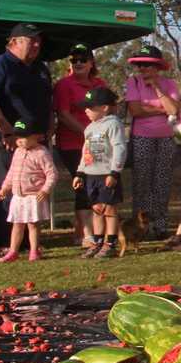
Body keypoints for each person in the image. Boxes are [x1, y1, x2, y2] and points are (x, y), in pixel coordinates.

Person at [0, 22, 52, 249]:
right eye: (31, 40)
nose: (37, 45)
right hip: (8, 140)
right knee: (10, 188)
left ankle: (31, 242)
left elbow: (48, 102)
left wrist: (51, 124)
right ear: (14, 42)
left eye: (38, 41)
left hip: (37, 141)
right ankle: (7, 241)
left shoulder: (40, 68)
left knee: (34, 188)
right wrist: (7, 132)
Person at [124, 45, 180, 239]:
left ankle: (160, 225)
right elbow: (135, 111)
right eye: (140, 65)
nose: (142, 69)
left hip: (166, 138)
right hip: (141, 138)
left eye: (147, 65)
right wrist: (161, 109)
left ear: (157, 67)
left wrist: (156, 89)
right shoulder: (133, 82)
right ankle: (140, 226)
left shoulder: (170, 84)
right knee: (142, 183)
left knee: (162, 182)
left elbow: (173, 110)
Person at [53, 44, 106, 245]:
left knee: (94, 185)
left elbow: (109, 108)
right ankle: (87, 234)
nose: (78, 63)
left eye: (83, 59)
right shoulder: (63, 85)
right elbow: (64, 115)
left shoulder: (100, 84)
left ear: (91, 63)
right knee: (83, 184)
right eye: (74, 60)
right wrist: (89, 133)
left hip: (97, 143)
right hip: (71, 144)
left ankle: (79, 232)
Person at [74, 87, 128, 259]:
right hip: (91, 175)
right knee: (96, 209)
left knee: (109, 209)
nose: (86, 110)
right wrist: (80, 173)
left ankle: (110, 243)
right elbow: (86, 152)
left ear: (104, 107)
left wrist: (114, 172)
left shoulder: (113, 124)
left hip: (107, 174)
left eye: (90, 107)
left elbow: (119, 148)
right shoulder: (89, 128)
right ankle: (97, 242)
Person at [0, 121, 56, 262]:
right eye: (18, 138)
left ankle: (34, 250)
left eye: (24, 137)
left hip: (34, 196)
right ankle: (13, 250)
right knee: (17, 224)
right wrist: (5, 187)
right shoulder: (18, 152)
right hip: (18, 196)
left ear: (37, 137)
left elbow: (52, 173)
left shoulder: (41, 153)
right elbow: (12, 172)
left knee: (33, 224)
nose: (20, 141)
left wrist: (45, 190)